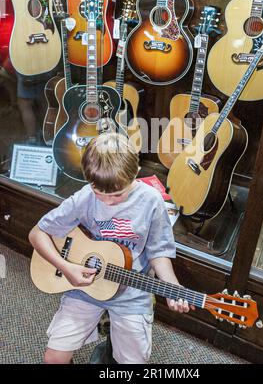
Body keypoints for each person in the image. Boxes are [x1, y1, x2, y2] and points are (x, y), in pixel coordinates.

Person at [28, 132, 195, 365]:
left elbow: (159, 253)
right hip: (84, 288)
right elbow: (37, 233)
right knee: (53, 358)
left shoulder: (151, 201)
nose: (108, 202)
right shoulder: (85, 197)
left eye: (117, 195)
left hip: (131, 292)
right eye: (100, 194)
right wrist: (66, 267)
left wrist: (172, 286)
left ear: (135, 173)